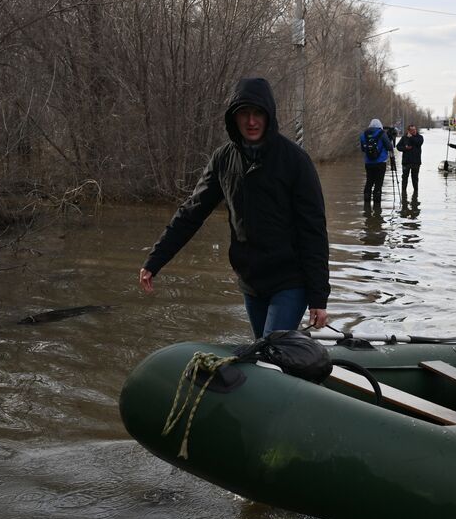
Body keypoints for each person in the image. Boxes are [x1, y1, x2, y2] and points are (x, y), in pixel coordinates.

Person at [139, 77, 330, 338]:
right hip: (251, 280)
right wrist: (155, 260)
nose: (251, 122)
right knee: (262, 349)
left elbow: (314, 230)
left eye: (258, 114)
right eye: (244, 114)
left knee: (271, 352)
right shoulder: (223, 159)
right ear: (234, 118)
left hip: (290, 279)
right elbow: (191, 212)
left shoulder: (295, 161)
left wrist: (318, 297)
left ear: (269, 115)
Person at [359, 117, 393, 206]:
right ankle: (377, 207)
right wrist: (391, 138)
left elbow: (363, 149)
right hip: (380, 163)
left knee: (369, 182)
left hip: (368, 163)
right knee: (378, 184)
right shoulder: (382, 134)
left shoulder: (363, 134)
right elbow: (390, 147)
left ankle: (366, 205)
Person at [395, 124, 425, 199]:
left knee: (415, 179)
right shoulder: (404, 137)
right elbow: (398, 147)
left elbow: (418, 143)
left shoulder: (420, 137)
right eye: (412, 130)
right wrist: (405, 148)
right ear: (408, 131)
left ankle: (415, 194)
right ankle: (403, 194)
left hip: (416, 162)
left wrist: (411, 137)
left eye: (415, 129)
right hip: (406, 162)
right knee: (404, 178)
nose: (414, 131)